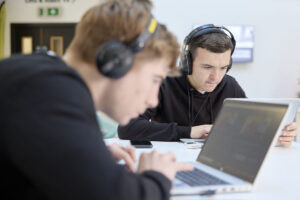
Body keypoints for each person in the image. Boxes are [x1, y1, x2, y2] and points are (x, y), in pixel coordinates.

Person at [0, 0, 193, 199]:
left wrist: (87, 160)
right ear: (117, 60)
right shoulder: (47, 89)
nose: (153, 101)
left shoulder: (43, 81)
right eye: (155, 80)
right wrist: (157, 177)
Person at [118, 24, 297, 147]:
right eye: (207, 67)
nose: (216, 77)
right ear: (187, 62)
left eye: (223, 68)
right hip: (170, 160)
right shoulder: (164, 83)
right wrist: (189, 132)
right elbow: (127, 128)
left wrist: (279, 137)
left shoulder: (229, 85)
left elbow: (249, 128)